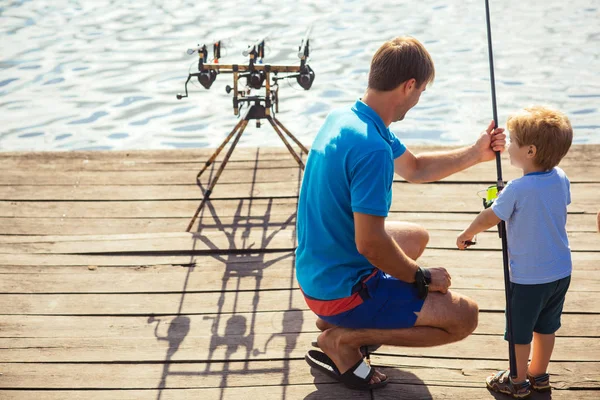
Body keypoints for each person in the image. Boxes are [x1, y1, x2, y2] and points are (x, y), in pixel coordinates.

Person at [295, 36, 506, 391]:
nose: (419, 98)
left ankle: (334, 321)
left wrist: (474, 153)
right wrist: (421, 277)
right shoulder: (372, 149)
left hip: (316, 269)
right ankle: (344, 338)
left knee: (415, 236)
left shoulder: (348, 117)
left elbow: (416, 167)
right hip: (339, 288)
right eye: (421, 91)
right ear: (409, 86)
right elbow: (370, 244)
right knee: (464, 316)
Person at [457, 106, 573, 398]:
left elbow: (490, 217)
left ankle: (518, 380)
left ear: (530, 151)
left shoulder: (517, 189)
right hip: (561, 271)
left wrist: (467, 233)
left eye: (512, 141)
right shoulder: (561, 177)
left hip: (528, 279)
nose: (507, 145)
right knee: (547, 326)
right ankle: (539, 374)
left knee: (519, 332)